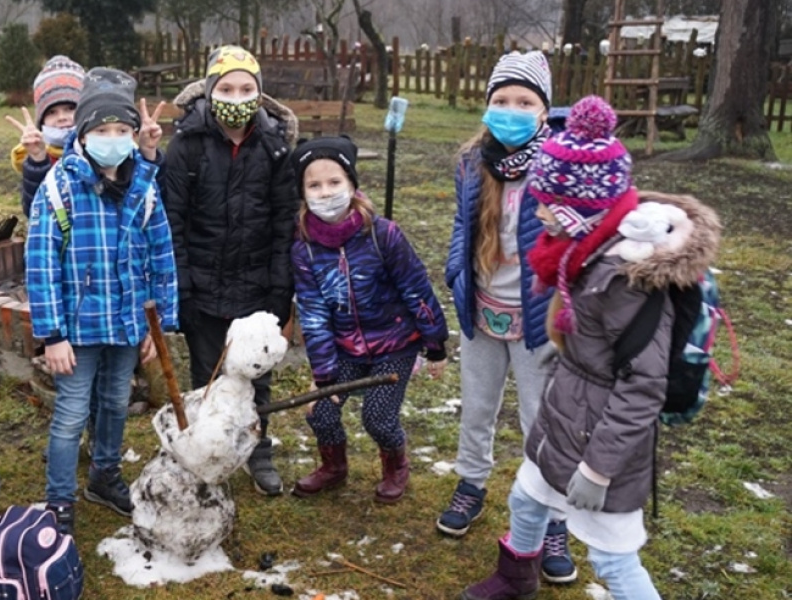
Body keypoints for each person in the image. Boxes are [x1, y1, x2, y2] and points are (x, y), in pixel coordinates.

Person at [461, 95, 720, 600]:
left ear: (581, 207)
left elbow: (642, 389)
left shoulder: (626, 280)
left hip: (601, 441)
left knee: (612, 558)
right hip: (567, 413)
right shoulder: (583, 253)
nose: (538, 212)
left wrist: (598, 469)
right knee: (527, 498)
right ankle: (517, 577)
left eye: (548, 202)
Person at [440, 49, 578, 583]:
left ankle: (552, 518)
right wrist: (457, 271)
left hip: (538, 318)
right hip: (483, 308)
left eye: (525, 101)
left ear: (544, 110)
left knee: (541, 423)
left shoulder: (564, 166)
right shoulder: (473, 161)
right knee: (476, 408)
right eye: (501, 100)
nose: (512, 110)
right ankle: (471, 484)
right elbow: (463, 224)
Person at [26, 67, 176, 535]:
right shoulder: (59, 189)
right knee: (71, 415)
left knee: (114, 402)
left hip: (128, 324)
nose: (111, 139)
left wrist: (160, 326)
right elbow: (42, 264)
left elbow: (161, 257)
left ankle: (104, 475)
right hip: (76, 330)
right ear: (83, 135)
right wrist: (51, 335)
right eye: (100, 131)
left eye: (121, 131)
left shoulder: (144, 188)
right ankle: (58, 498)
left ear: (133, 135)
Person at [159, 45, 298, 496]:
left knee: (257, 375)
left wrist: (281, 287)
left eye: (246, 88)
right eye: (226, 87)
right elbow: (172, 221)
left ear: (259, 94)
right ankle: (210, 453)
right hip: (202, 282)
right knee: (208, 377)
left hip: (258, 284)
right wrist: (182, 287)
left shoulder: (275, 147)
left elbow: (284, 221)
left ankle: (258, 450)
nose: (236, 97)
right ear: (209, 90)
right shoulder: (186, 145)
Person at [288, 136, 450, 503]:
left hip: (394, 344)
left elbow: (417, 290)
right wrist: (323, 374)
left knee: (378, 417)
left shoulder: (383, 235)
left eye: (334, 182)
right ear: (303, 192)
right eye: (314, 185)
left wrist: (435, 345)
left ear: (352, 185)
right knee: (322, 413)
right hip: (345, 349)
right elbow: (313, 313)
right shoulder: (304, 248)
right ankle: (334, 466)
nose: (326, 192)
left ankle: (396, 465)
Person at [5, 55, 86, 217]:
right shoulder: (37, 156)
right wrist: (38, 160)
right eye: (51, 112)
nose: (62, 117)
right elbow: (35, 211)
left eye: (70, 108)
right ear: (41, 121)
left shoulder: (103, 147)